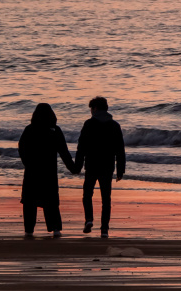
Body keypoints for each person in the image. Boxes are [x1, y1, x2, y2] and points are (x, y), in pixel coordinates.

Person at [18, 102, 77, 237]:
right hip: (49, 170)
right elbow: (64, 151)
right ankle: (55, 228)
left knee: (30, 201)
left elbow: (21, 148)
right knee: (50, 199)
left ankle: (29, 230)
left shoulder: (30, 129)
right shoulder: (55, 130)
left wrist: (27, 163)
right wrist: (73, 168)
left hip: (32, 169)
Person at [75, 96, 126, 237]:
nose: (91, 111)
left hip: (91, 164)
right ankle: (104, 229)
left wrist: (77, 166)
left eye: (91, 109)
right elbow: (120, 149)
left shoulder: (89, 124)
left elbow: (81, 147)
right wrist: (121, 169)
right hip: (107, 166)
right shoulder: (114, 125)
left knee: (87, 194)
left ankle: (89, 220)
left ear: (95, 108)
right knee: (106, 198)